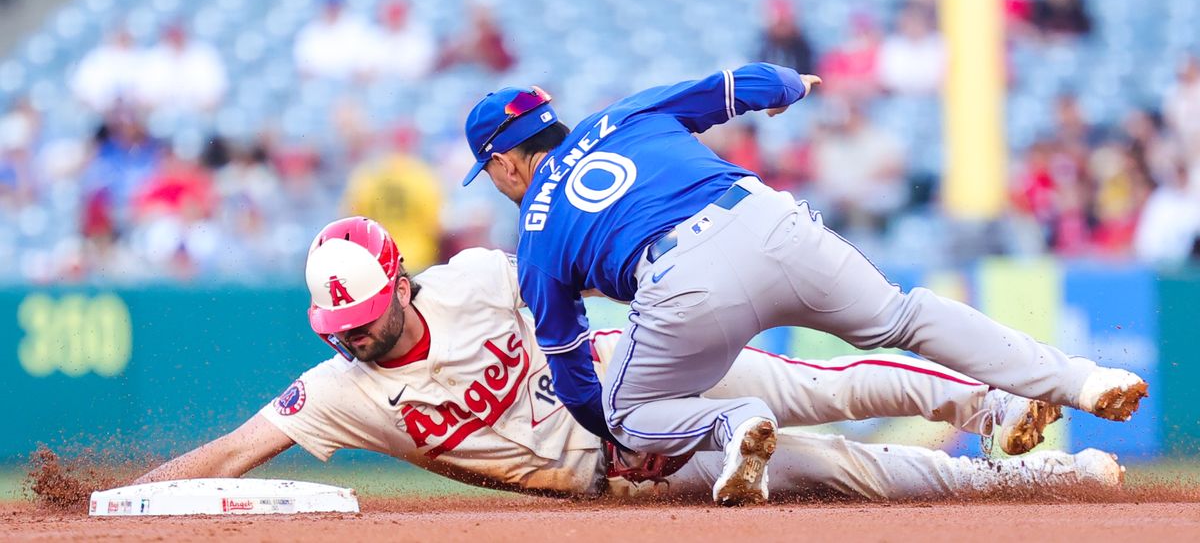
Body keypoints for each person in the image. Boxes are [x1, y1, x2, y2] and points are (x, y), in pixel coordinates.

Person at [460, 63, 1148, 505]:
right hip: (769, 221)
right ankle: (1078, 379)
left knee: (624, 411)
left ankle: (736, 423)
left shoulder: (537, 232)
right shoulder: (622, 116)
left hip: (680, 283)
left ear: (504, 165)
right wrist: (790, 89)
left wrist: (612, 438)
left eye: (490, 172)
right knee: (904, 317)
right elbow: (740, 85)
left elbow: (571, 365)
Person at [132, 216, 1124, 502]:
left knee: (825, 380)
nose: (349, 332)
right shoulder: (343, 393)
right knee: (834, 469)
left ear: (397, 280)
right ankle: (1032, 473)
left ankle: (995, 404)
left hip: (635, 374)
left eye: (360, 311)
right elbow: (232, 449)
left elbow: (585, 279)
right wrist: (109, 503)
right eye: (334, 322)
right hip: (624, 467)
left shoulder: (477, 277)